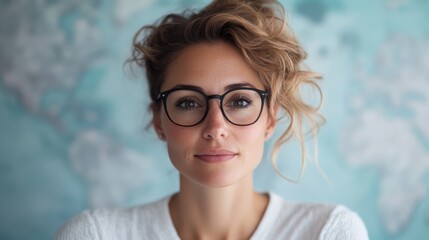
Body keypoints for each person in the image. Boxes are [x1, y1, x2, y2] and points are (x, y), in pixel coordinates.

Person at [56, 0, 369, 239]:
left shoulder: (327, 232)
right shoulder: (96, 234)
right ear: (159, 121)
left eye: (241, 101)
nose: (216, 128)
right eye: (189, 102)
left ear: (270, 119)